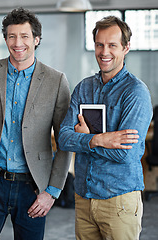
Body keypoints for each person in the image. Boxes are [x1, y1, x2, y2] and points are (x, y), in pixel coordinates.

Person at [0, 7, 71, 240]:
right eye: (12, 36)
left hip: (33, 187)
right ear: (5, 39)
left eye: (24, 36)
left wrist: (52, 191)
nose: (17, 42)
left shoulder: (56, 81)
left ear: (36, 39)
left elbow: (65, 141)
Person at [58, 16, 153, 240]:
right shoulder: (84, 88)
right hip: (84, 198)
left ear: (126, 48)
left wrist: (84, 140)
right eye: (99, 44)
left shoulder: (135, 93)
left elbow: (124, 153)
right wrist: (98, 140)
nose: (104, 52)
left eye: (112, 45)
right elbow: (63, 138)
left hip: (118, 200)